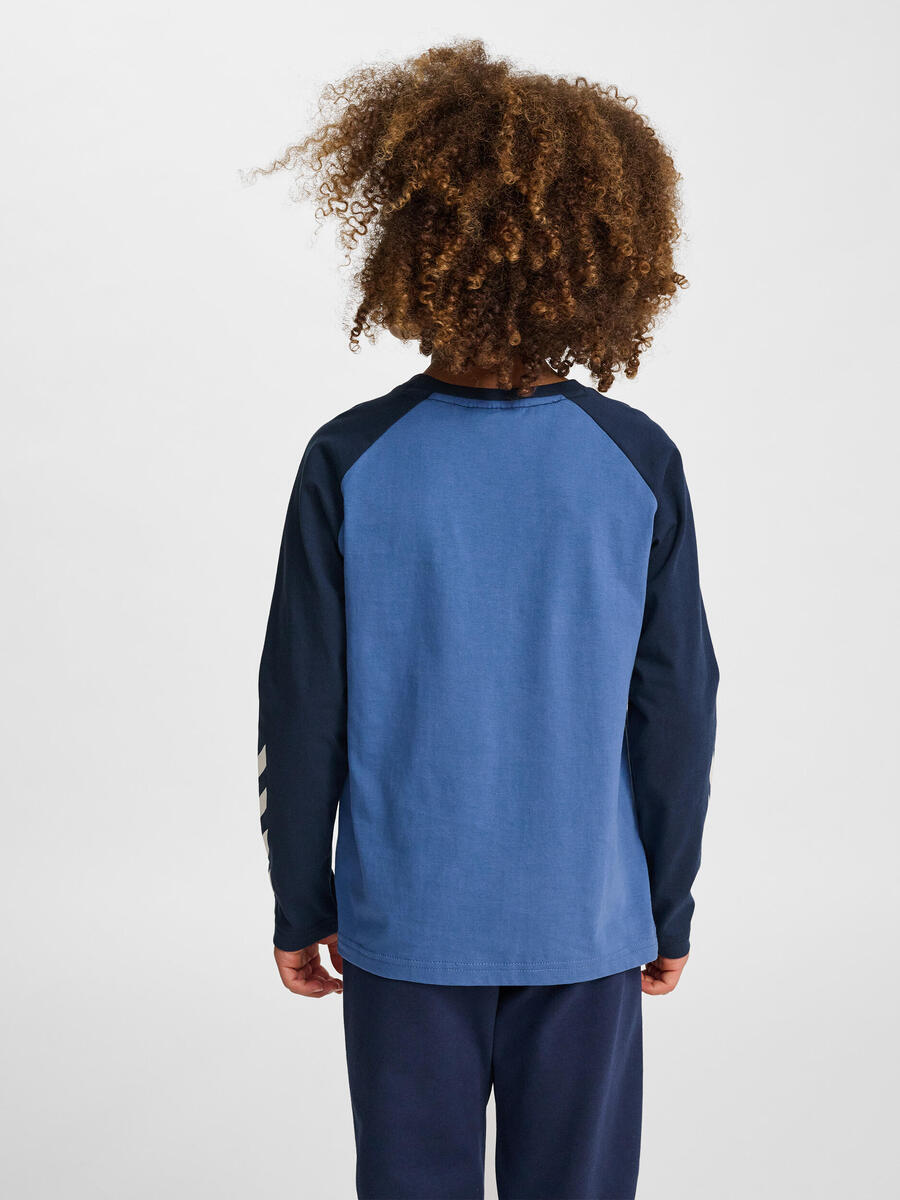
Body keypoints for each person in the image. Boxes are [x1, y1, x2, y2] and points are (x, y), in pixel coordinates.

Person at [255, 39, 718, 1200]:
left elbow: (302, 704)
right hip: (586, 918)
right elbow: (678, 707)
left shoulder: (351, 459)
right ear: (599, 254)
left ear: (413, 244)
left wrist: (302, 899)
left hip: (406, 922)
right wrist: (664, 906)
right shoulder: (635, 462)